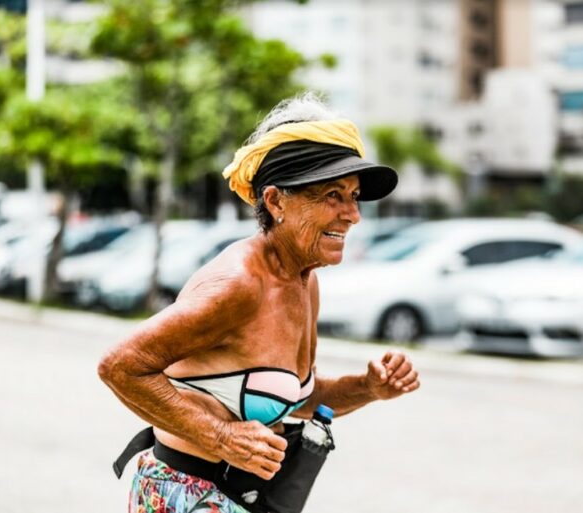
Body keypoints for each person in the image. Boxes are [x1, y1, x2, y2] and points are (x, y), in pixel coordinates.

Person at [98, 93, 421, 513]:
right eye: (332, 196)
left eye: (353, 196)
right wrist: (220, 437)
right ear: (275, 202)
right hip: (186, 497)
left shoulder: (303, 279)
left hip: (244, 498)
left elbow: (296, 396)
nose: (353, 214)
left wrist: (368, 388)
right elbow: (120, 365)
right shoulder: (239, 284)